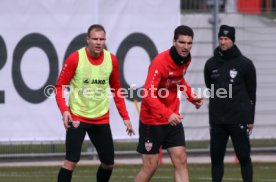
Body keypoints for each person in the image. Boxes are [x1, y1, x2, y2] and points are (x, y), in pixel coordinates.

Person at [55, 24, 135, 182]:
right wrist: (65, 110)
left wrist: (125, 117)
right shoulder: (75, 58)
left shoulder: (111, 59)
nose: (98, 42)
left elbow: (117, 89)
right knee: (71, 162)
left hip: (100, 118)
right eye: (95, 39)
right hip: (77, 117)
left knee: (108, 164)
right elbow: (59, 87)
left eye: (102, 39)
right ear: (88, 40)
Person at [134, 25, 203, 182]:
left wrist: (192, 97)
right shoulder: (160, 62)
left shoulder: (187, 59)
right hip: (152, 120)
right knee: (150, 166)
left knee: (181, 160)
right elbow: (148, 94)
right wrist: (167, 114)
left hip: (173, 118)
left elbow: (178, 79)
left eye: (189, 43)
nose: (186, 47)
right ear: (174, 42)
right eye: (182, 42)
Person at [204, 25, 256, 182]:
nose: (222, 42)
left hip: (238, 118)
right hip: (217, 120)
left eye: (226, 39)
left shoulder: (245, 64)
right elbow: (209, 86)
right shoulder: (210, 64)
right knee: (216, 159)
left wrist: (250, 119)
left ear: (233, 40)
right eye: (220, 38)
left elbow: (251, 93)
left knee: (244, 157)